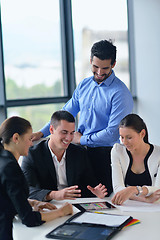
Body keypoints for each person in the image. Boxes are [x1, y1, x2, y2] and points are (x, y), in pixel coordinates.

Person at [30, 40, 133, 192]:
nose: (99, 73)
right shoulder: (84, 85)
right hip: (78, 152)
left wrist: (80, 139)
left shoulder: (120, 93)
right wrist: (41, 132)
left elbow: (112, 132)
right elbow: (65, 113)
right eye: (95, 67)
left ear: (113, 64)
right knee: (78, 196)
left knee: (102, 200)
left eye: (104, 68)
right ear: (90, 61)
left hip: (103, 155)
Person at [0, 116, 73, 240]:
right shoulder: (10, 167)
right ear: (16, 138)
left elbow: (5, 198)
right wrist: (61, 212)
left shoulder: (3, 159)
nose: (31, 143)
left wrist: (32, 202)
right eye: (29, 138)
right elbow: (29, 219)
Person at [21, 110, 107, 202]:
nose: (69, 138)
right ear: (51, 130)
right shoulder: (33, 154)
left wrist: (95, 192)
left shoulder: (79, 152)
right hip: (48, 205)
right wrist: (54, 194)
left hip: (73, 205)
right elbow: (26, 189)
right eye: (64, 132)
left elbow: (89, 185)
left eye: (72, 133)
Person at [111, 113, 160, 205]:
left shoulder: (158, 154)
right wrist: (145, 198)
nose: (124, 142)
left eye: (129, 138)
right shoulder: (117, 150)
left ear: (142, 134)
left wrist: (133, 189)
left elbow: (158, 190)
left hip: (154, 207)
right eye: (122, 137)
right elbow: (118, 188)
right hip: (126, 206)